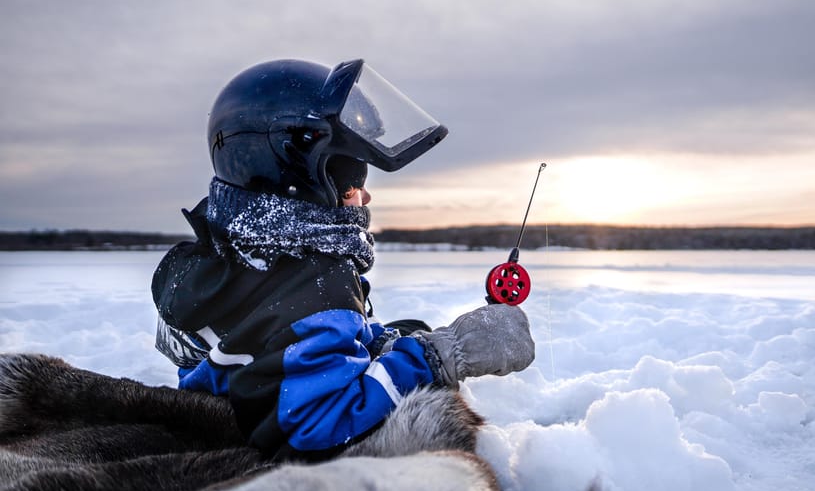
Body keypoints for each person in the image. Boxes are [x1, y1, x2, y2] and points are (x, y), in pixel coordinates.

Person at [151, 59, 534, 461]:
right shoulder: (317, 282)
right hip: (276, 439)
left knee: (408, 330)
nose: (364, 197)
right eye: (352, 185)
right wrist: (445, 354)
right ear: (303, 183)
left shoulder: (229, 254)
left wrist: (390, 343)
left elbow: (277, 338)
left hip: (231, 403)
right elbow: (322, 426)